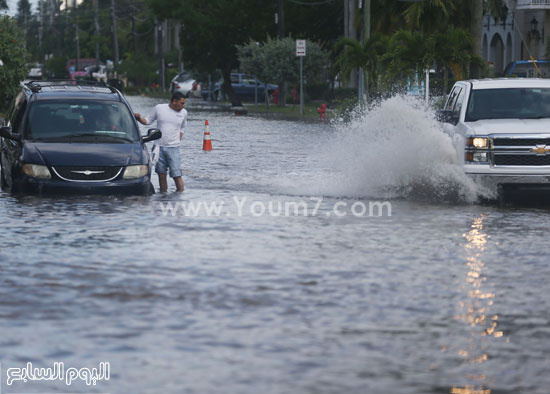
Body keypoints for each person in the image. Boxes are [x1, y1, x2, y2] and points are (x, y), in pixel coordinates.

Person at [134, 92, 187, 192]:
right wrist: (138, 118)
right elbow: (148, 121)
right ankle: (163, 197)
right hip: (158, 147)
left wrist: (178, 140)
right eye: (182, 103)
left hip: (174, 148)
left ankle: (180, 197)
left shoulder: (184, 112)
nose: (183, 106)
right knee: (161, 174)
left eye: (184, 103)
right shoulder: (159, 108)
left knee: (177, 174)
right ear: (174, 101)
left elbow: (182, 128)